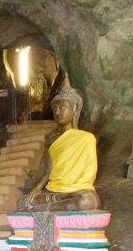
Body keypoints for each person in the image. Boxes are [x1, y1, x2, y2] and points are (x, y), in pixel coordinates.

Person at [17, 79, 100, 212]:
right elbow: (48, 171)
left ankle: (43, 210)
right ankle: (48, 208)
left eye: (62, 108)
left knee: (86, 201)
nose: (57, 112)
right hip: (55, 192)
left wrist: (76, 187)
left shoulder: (86, 138)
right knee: (23, 202)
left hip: (78, 191)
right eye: (55, 108)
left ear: (73, 110)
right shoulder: (52, 140)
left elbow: (89, 173)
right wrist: (37, 188)